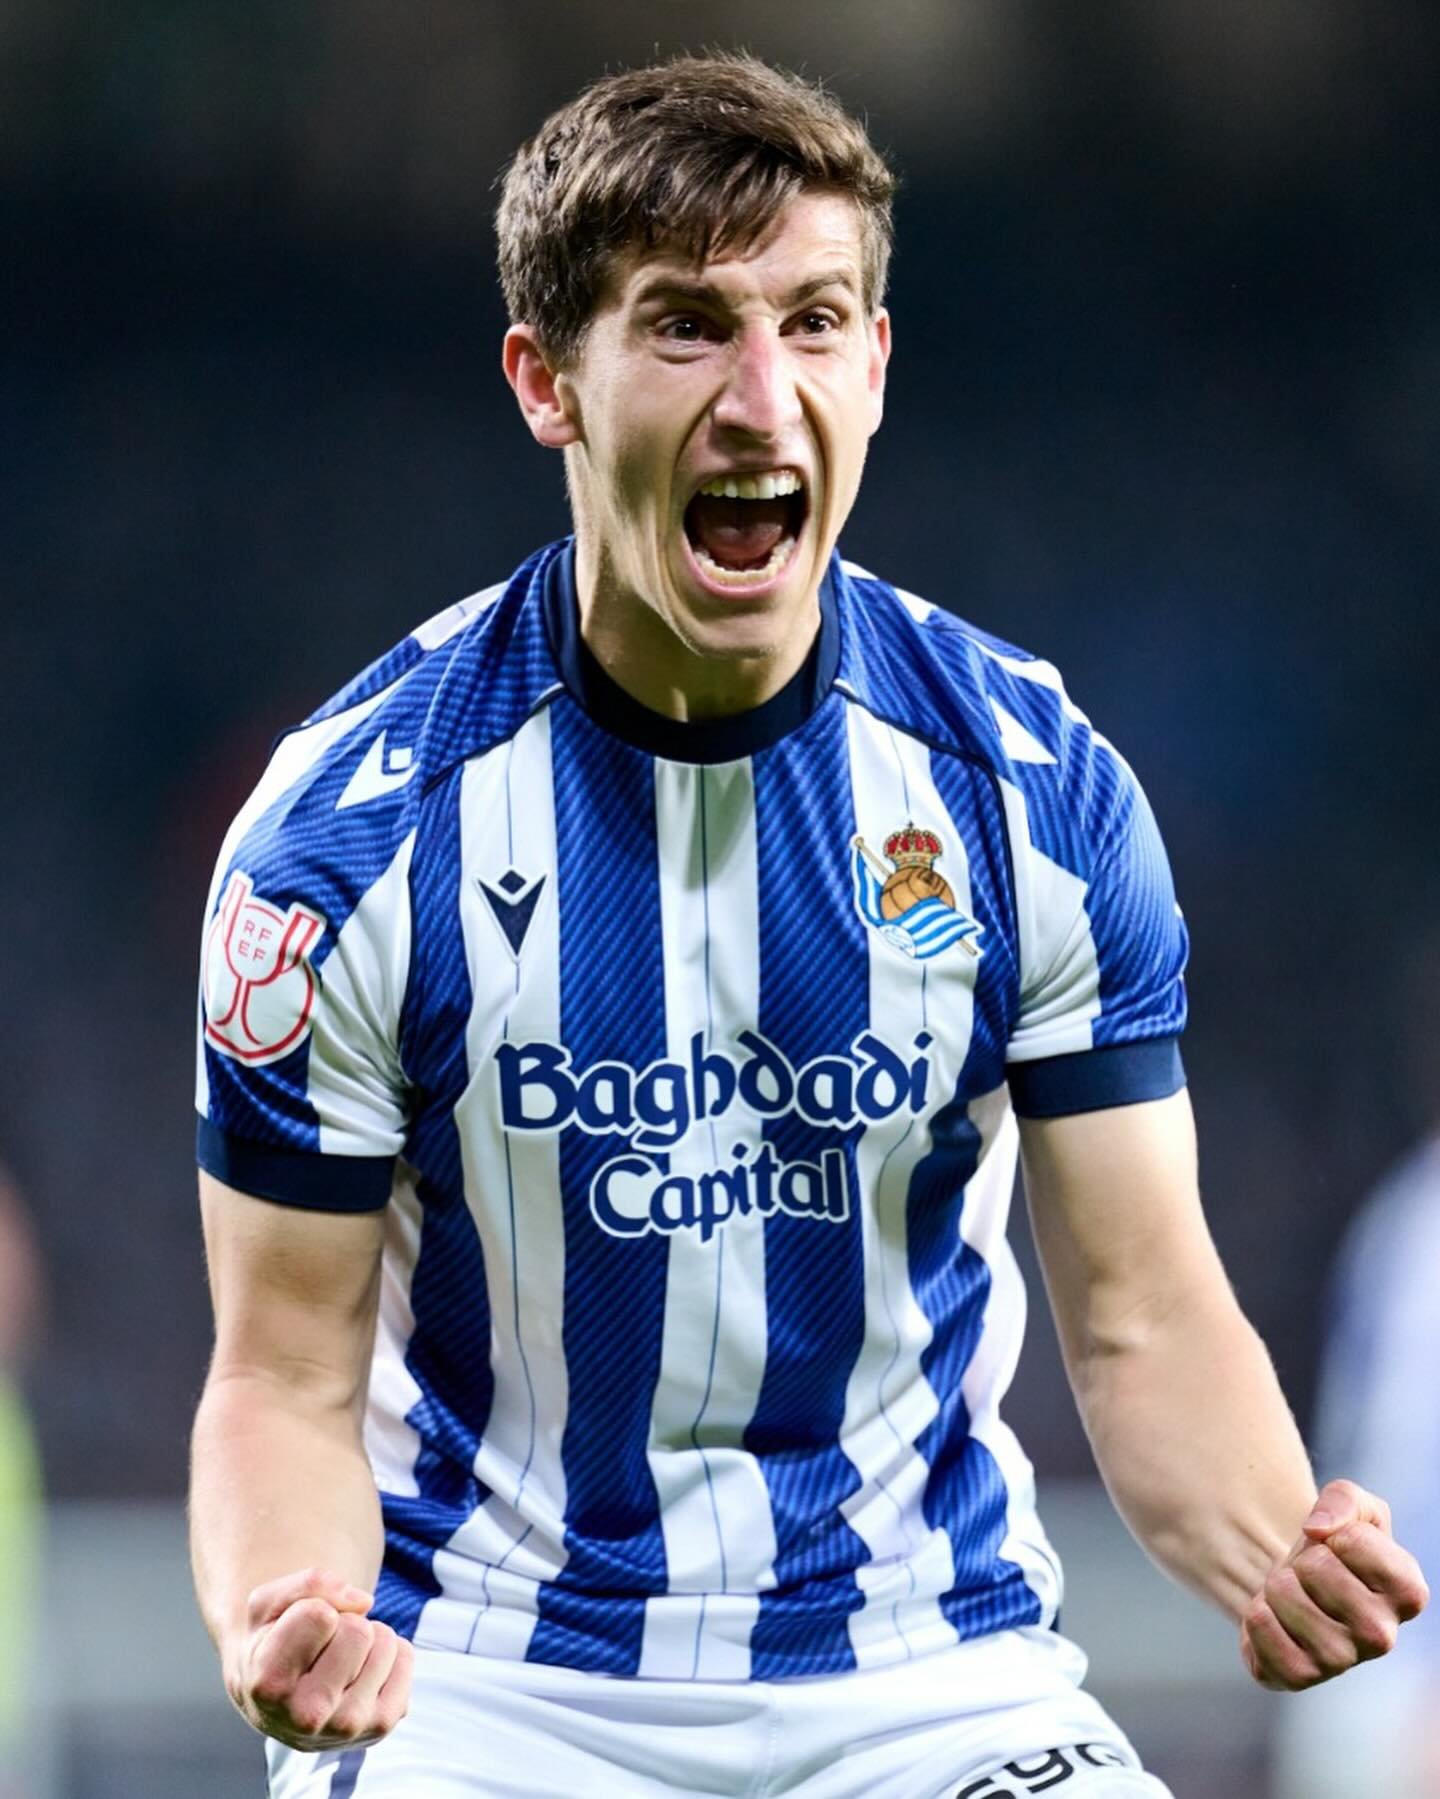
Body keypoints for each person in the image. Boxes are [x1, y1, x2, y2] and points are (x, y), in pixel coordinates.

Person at [188, 52, 1428, 1799]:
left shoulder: (1030, 792)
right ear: (546, 381)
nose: (762, 399)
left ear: (877, 364)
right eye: (688, 326)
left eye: (815, 323)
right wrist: (291, 1609)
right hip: (489, 1690)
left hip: (930, 1678)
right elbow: (282, 1377)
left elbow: (1144, 1314)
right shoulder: (345, 844)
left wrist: (1275, 1545)